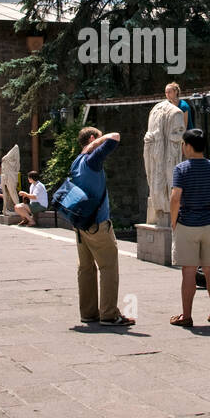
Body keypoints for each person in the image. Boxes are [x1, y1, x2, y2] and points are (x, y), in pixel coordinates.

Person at [68, 127, 134, 326]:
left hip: (80, 225)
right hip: (98, 224)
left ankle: (88, 313)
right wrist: (99, 140)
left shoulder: (76, 162)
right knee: (108, 267)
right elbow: (115, 136)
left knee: (86, 269)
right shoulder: (92, 160)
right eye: (97, 137)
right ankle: (109, 314)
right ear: (91, 139)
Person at [169, 128, 210, 327]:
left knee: (188, 271)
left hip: (187, 223)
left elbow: (175, 197)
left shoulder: (181, 169)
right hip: (209, 223)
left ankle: (186, 316)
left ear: (187, 145)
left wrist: (173, 221)